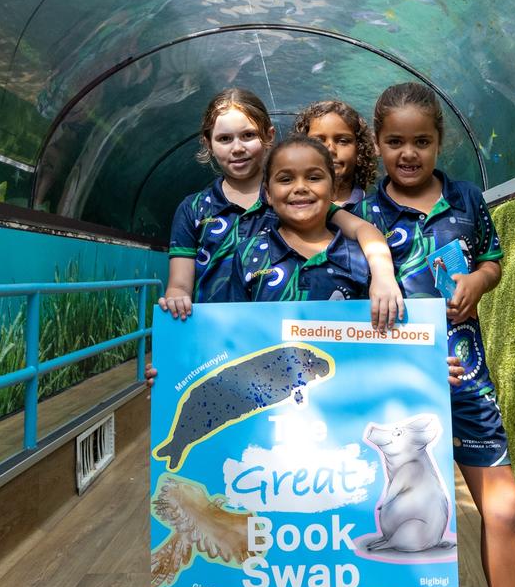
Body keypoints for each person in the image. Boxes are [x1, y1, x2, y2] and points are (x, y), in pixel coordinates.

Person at [355, 82, 515, 587]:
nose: (408, 153)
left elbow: (490, 259)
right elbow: (347, 314)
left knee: (504, 508)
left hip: (467, 381)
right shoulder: (361, 218)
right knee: (384, 516)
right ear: (376, 144)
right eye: (395, 141)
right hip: (401, 399)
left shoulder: (468, 199)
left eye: (421, 141)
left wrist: (482, 280)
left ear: (439, 142)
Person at [147, 89, 402, 384]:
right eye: (224, 138)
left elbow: (362, 229)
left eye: (248, 135)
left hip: (283, 340)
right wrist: (172, 350)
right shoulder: (194, 208)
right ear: (208, 142)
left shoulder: (293, 201)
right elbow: (179, 286)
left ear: (268, 136)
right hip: (215, 342)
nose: (238, 147)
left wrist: (383, 275)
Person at [228, 134, 370, 302]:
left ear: (333, 189)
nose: (300, 187)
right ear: (268, 194)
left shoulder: (360, 257)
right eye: (286, 179)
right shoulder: (248, 254)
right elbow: (238, 323)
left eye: (314, 178)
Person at [292, 99, 377, 208]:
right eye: (318, 141)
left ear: (360, 149)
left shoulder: (375, 211)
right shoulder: (290, 206)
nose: (330, 149)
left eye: (343, 141)